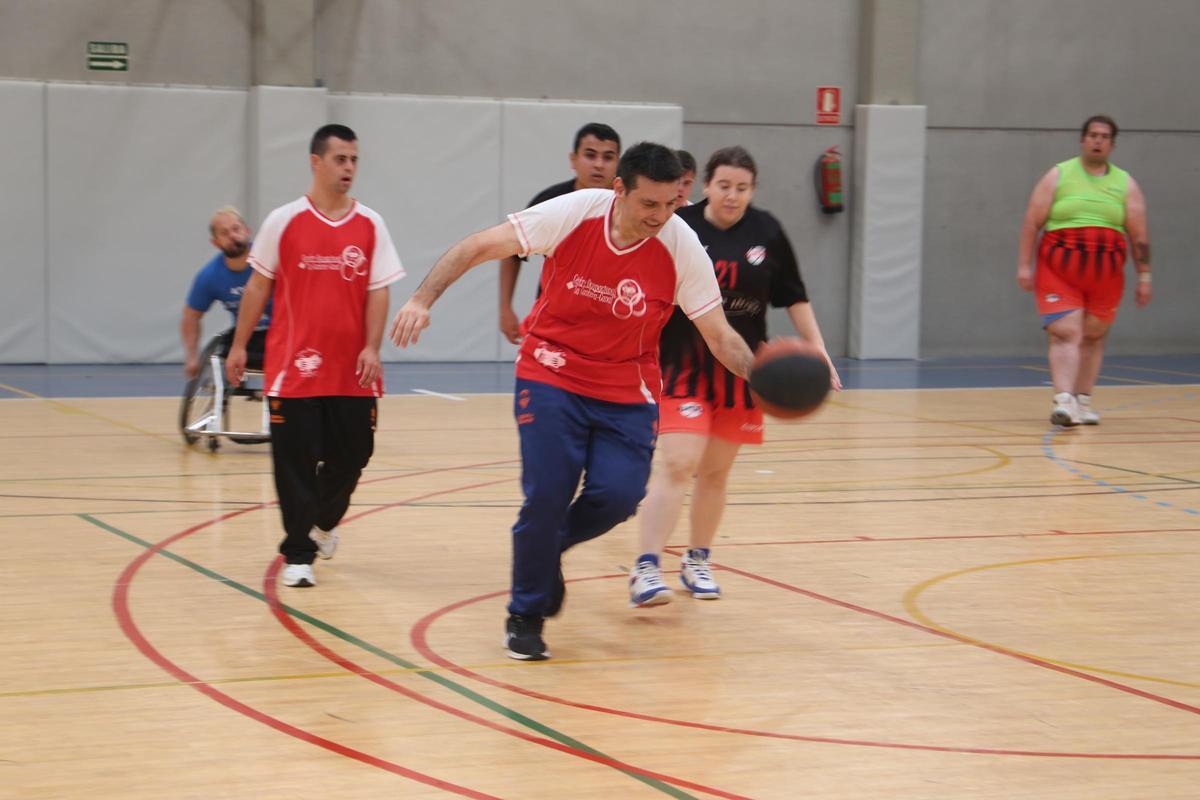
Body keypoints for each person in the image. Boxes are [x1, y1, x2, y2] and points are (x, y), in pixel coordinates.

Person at [390, 142, 756, 661]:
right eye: (648, 204)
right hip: (551, 369)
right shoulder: (571, 213)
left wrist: (760, 377)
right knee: (547, 492)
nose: (660, 216)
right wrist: (422, 299)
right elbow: (477, 245)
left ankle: (548, 548)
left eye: (670, 204)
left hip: (626, 387)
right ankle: (525, 612)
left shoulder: (681, 246)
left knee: (620, 495)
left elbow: (719, 335)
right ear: (619, 191)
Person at [630, 146, 842, 606]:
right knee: (678, 463)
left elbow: (795, 296)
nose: (732, 195)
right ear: (705, 185)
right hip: (682, 364)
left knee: (716, 473)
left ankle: (697, 558)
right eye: (724, 186)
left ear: (753, 190)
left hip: (742, 370)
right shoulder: (680, 227)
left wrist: (819, 350)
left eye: (742, 188)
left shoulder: (768, 232)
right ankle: (646, 567)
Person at [226, 124, 405, 588]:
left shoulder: (370, 223)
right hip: (294, 368)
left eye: (354, 160)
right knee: (295, 465)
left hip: (352, 369)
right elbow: (259, 285)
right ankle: (298, 554)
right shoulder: (283, 221)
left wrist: (372, 346)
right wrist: (241, 344)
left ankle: (322, 525)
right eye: (340, 159)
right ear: (316, 162)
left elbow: (378, 290)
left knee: (354, 455)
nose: (349, 169)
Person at [1017, 115, 1151, 426]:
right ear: (1082, 140)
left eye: (1104, 136)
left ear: (1112, 144)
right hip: (1058, 269)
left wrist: (1145, 277)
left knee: (1092, 336)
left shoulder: (1126, 184)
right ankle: (1063, 400)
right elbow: (1031, 222)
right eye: (1092, 134)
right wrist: (1025, 265)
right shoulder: (1058, 175)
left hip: (1105, 274)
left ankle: (1081, 400)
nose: (1097, 140)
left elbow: (1139, 236)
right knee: (1066, 332)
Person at [498, 122, 621, 344]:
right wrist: (505, 307)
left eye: (608, 157)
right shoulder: (550, 201)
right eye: (590, 155)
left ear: (618, 163)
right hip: (553, 318)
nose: (599, 165)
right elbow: (512, 252)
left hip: (609, 320)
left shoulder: (629, 205)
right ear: (573, 159)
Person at [180, 207, 271, 377]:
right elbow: (191, 316)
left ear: (247, 231)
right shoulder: (210, 276)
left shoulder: (272, 259)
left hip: (282, 333)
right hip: (247, 339)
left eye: (236, 229)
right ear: (215, 243)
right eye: (224, 233)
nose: (233, 236)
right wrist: (192, 356)